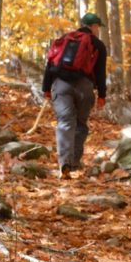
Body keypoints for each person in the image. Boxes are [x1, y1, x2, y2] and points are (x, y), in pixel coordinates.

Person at [42, 13, 108, 178]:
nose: (98, 30)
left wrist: (46, 88)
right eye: (98, 27)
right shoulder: (97, 44)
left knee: (65, 122)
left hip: (60, 84)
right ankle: (74, 163)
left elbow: (50, 64)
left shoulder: (64, 39)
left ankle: (64, 162)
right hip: (84, 87)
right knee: (80, 124)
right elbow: (100, 72)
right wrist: (102, 95)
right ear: (93, 26)